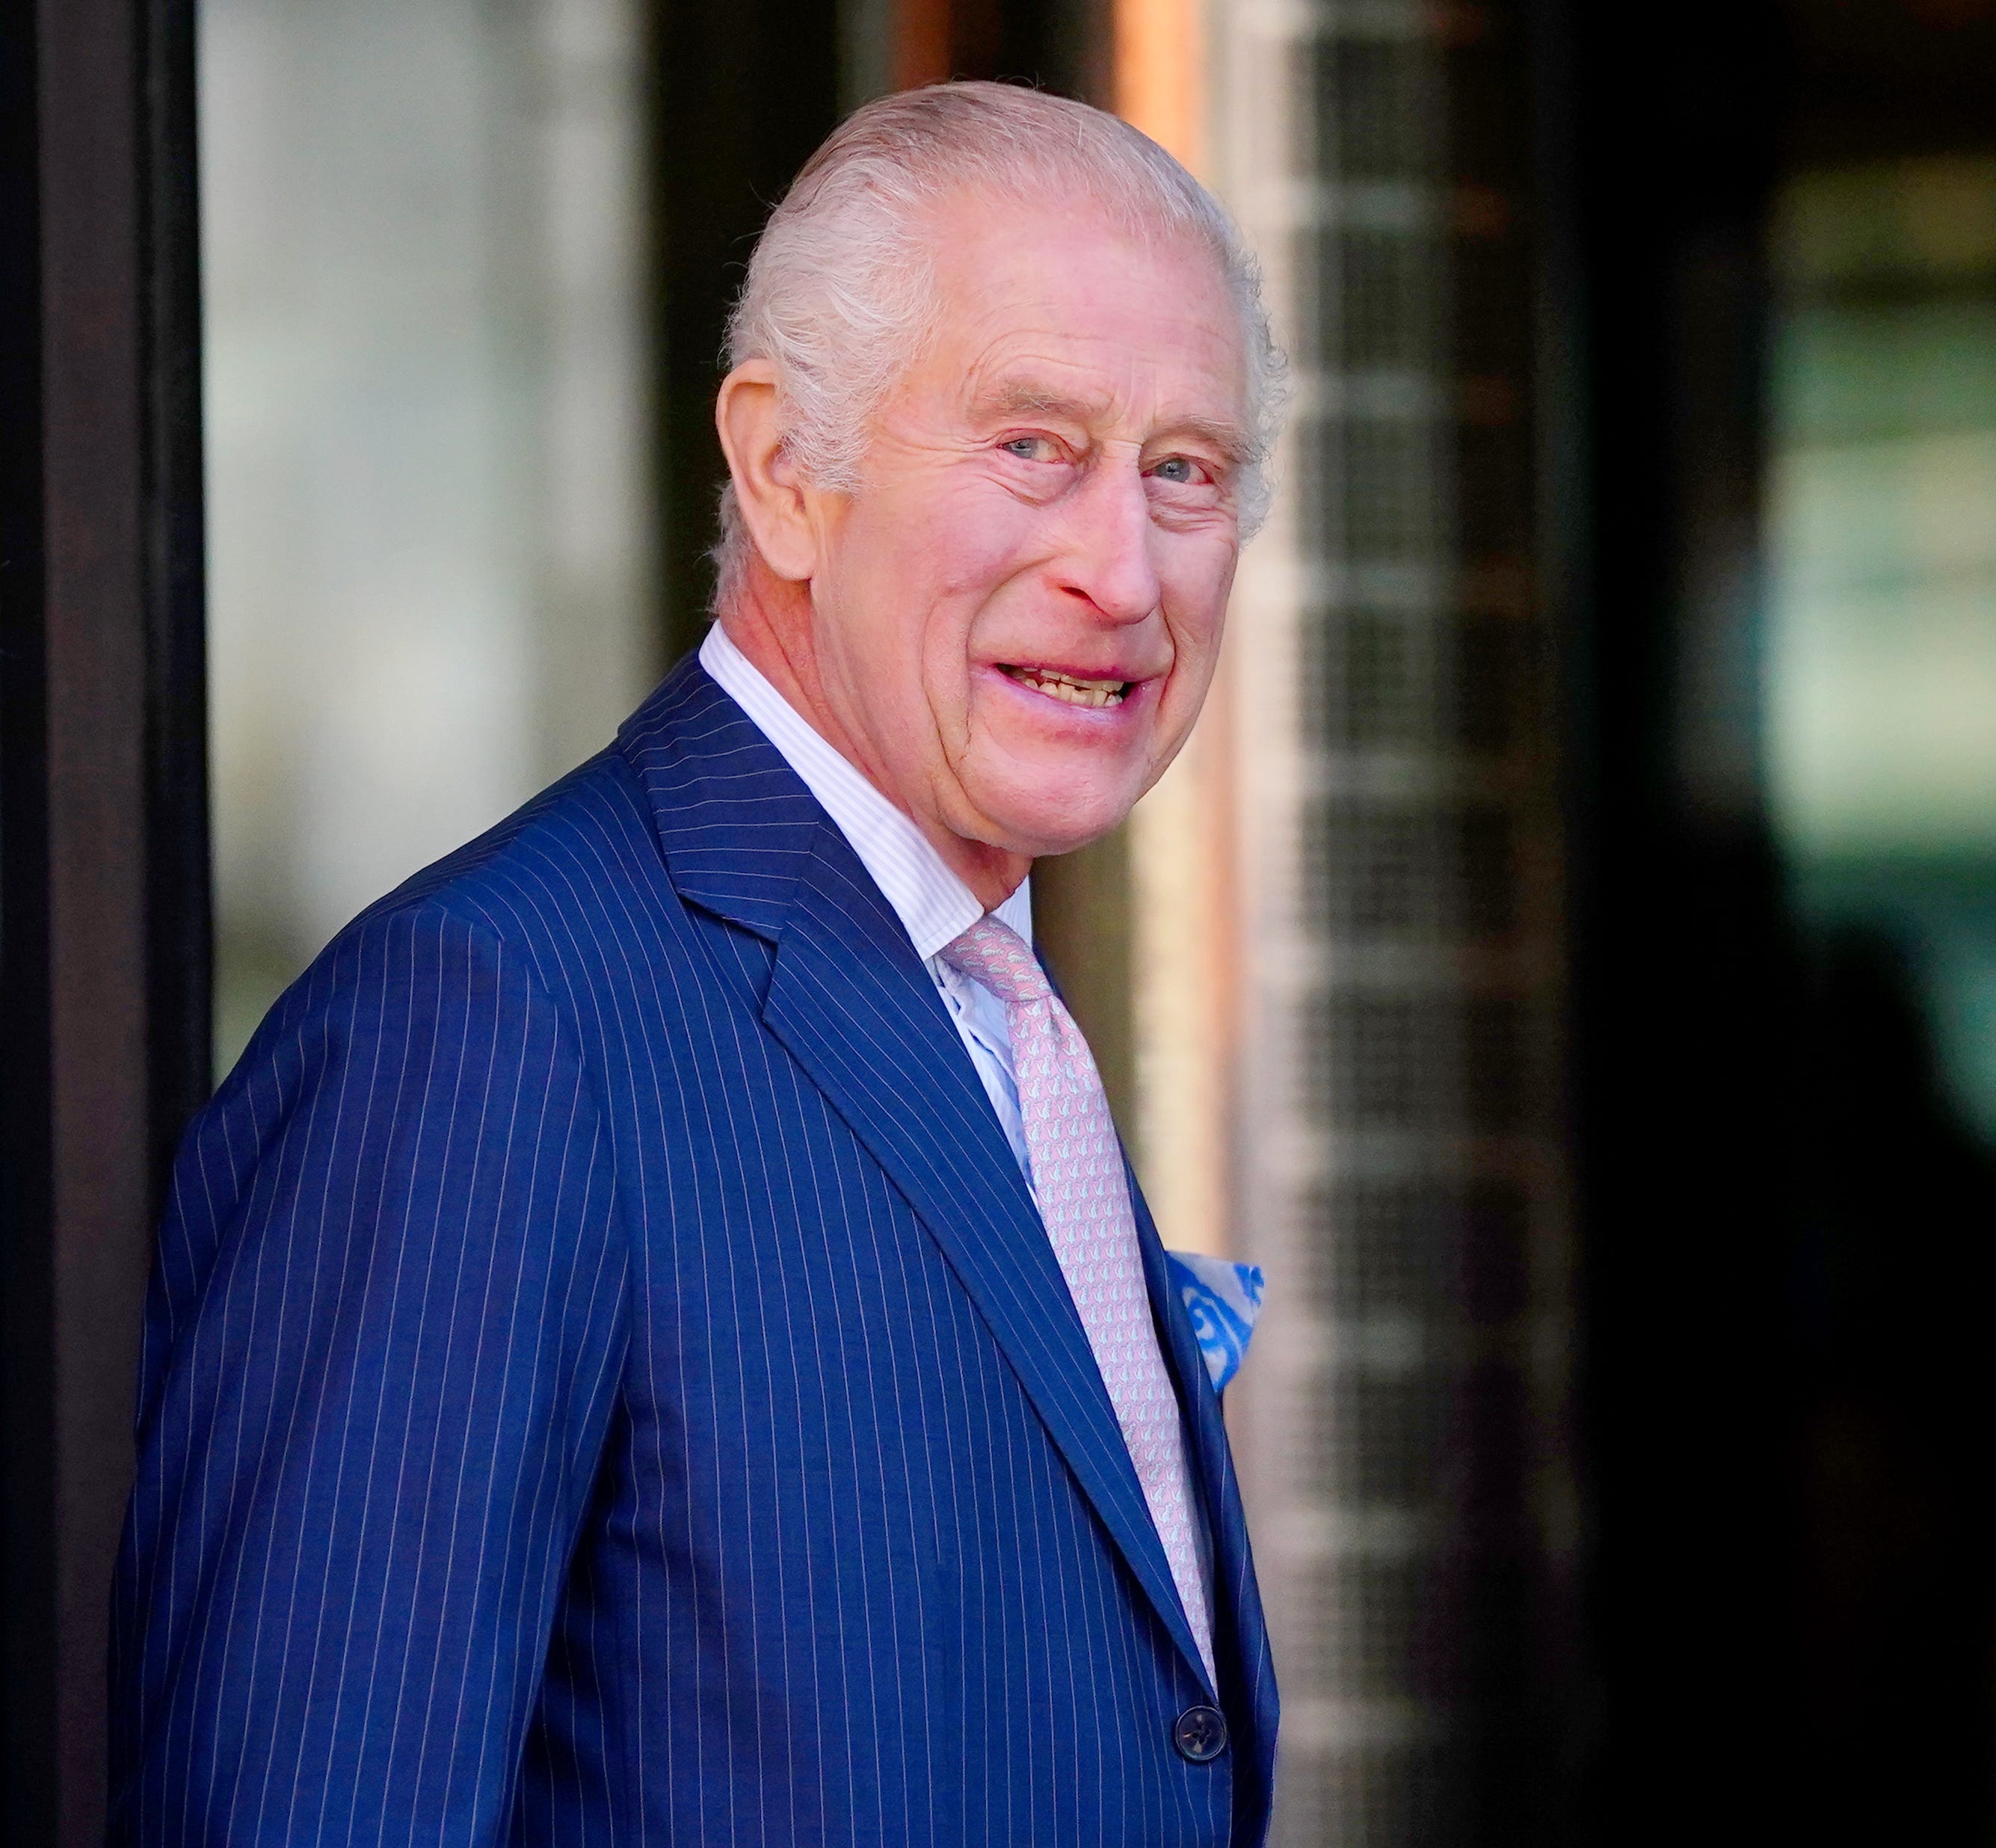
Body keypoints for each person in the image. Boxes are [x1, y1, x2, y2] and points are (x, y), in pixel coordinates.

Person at [109, 83, 1280, 1846]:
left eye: (1183, 470)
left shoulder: (993, 1007)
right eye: (1033, 444)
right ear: (784, 469)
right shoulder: (489, 1029)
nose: (1119, 569)